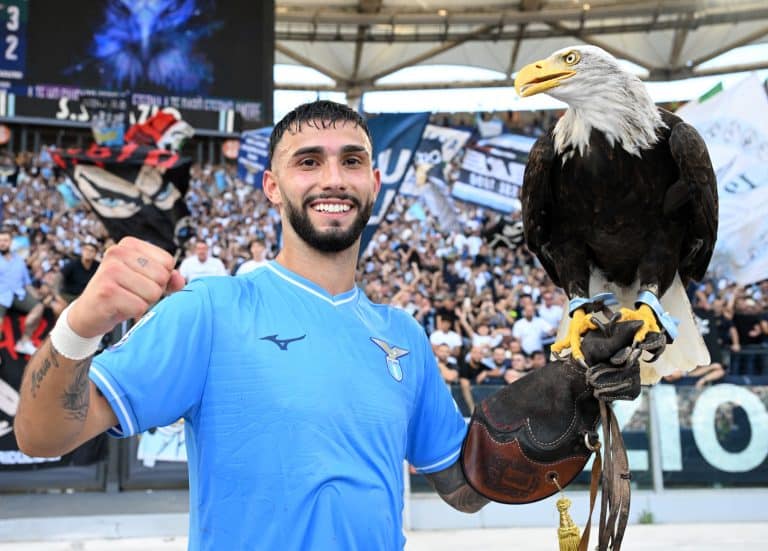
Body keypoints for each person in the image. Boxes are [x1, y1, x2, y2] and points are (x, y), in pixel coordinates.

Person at [15, 101, 641, 551]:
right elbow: (41, 435)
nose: (332, 178)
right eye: (307, 162)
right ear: (271, 186)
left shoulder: (406, 336)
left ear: (374, 181)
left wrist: (573, 397)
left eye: (351, 160)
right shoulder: (211, 308)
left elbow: (466, 488)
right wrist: (80, 325)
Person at [0, 227, 44, 355]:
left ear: (11, 242)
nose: (2, 243)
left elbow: (27, 283)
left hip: (18, 294)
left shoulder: (19, 260)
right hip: (1, 296)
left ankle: (24, 342)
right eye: (0, 240)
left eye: (5, 240)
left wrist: (36, 296)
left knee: (39, 307)